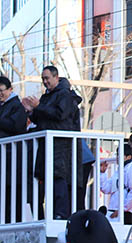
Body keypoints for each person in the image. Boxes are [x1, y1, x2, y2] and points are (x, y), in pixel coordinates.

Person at [22, 65, 82, 220]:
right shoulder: (47, 96)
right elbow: (42, 118)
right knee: (46, 179)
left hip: (60, 146)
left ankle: (60, 214)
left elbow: (60, 115)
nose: (45, 82)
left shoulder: (64, 95)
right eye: (43, 79)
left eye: (47, 78)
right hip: (47, 145)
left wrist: (39, 107)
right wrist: (31, 111)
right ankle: (49, 214)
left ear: (56, 77)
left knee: (58, 179)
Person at [0, 75, 29, 223]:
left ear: (10, 89)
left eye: (1, 90)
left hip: (13, 157)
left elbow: (16, 126)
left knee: (13, 193)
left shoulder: (17, 106)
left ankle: (11, 220)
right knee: (0, 191)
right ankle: (2, 218)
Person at [100, 142, 132, 223]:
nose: (117, 157)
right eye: (117, 154)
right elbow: (106, 189)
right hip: (114, 209)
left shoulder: (130, 169)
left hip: (126, 212)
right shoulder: (118, 171)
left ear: (129, 157)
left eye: (120, 154)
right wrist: (102, 173)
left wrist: (122, 209)